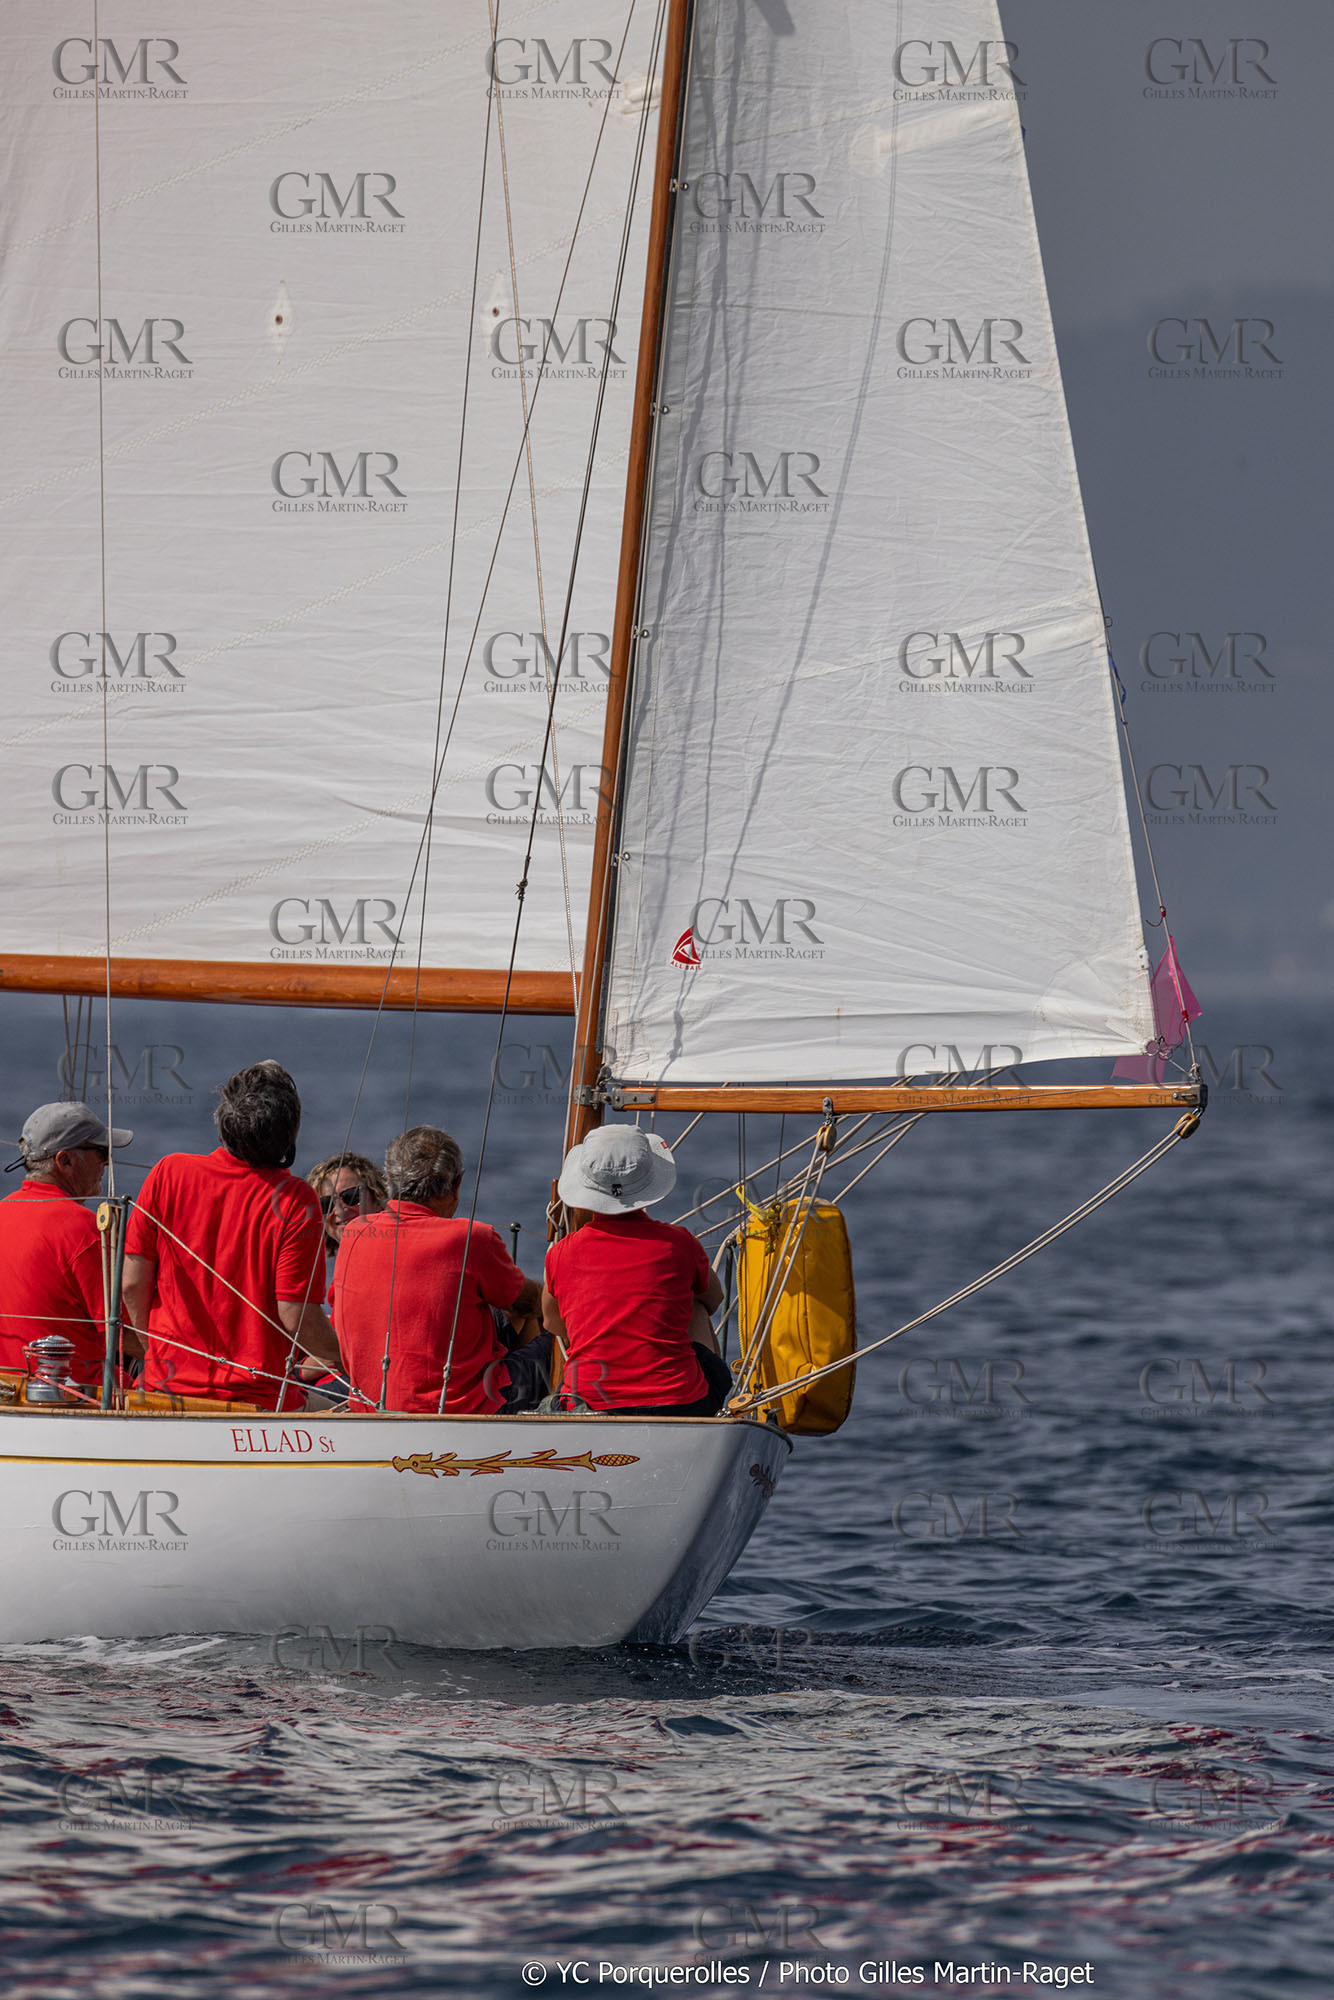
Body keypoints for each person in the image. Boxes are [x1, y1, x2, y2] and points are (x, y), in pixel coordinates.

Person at [122, 1062, 340, 1409]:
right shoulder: (297, 1199)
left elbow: (131, 1284)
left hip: (164, 1392)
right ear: (289, 1132)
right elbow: (296, 1316)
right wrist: (348, 1358)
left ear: (224, 1125)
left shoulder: (170, 1173)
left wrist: (155, 1352)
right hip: (259, 1403)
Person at [333, 1126, 544, 1414]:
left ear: (390, 1180)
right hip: (462, 1410)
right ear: (456, 1185)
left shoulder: (354, 1234)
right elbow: (531, 1302)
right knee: (549, 1334)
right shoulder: (471, 1238)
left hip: (372, 1407)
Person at [542, 1126, 733, 1416]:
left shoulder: (560, 1253)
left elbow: (552, 1324)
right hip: (681, 1405)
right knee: (694, 1302)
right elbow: (715, 1299)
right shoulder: (680, 1243)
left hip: (587, 1406)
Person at [0, 1102, 135, 1387]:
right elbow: (125, 1335)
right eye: (101, 1152)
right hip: (81, 1395)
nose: (107, 1162)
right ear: (65, 1161)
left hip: (11, 1390)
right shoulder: (82, 1227)